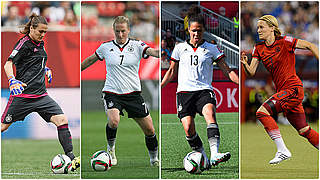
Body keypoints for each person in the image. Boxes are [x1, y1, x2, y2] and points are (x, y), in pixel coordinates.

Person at [1, 13, 80, 171]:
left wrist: (45, 69)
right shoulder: (23, 43)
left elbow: (34, 61)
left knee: (62, 120)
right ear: (32, 28)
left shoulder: (41, 44)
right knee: (3, 127)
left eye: (45, 32)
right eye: (40, 32)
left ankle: (71, 158)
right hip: (23, 96)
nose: (43, 35)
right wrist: (12, 80)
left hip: (41, 96)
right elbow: (8, 64)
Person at [161, 14, 239, 168]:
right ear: (188, 31)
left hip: (204, 90)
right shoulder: (179, 48)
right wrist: (160, 85)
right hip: (184, 92)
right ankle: (203, 157)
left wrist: (240, 82)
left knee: (209, 114)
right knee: (188, 128)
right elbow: (171, 71)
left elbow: (227, 70)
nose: (196, 34)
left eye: (200, 31)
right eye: (193, 31)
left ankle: (215, 153)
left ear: (204, 30)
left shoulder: (211, 48)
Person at [81, 16, 159, 166]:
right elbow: (91, 60)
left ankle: (154, 158)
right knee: (114, 120)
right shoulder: (105, 47)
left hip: (133, 94)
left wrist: (163, 52)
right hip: (112, 92)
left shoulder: (137, 45)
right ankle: (110, 150)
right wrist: (77, 70)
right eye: (117, 31)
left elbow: (151, 52)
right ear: (113, 31)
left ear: (129, 30)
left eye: (123, 31)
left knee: (150, 130)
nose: (120, 34)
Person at [241, 15, 319, 164]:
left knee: (261, 112)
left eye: (261, 27)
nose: (258, 30)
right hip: (284, 92)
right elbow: (251, 72)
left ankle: (282, 150)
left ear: (272, 28)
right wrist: (245, 63)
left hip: (293, 89)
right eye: (257, 27)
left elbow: (311, 46)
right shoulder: (258, 48)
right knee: (304, 130)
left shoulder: (285, 41)